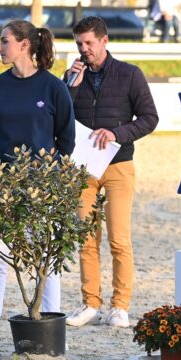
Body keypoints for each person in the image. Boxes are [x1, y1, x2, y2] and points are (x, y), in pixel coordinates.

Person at [0, 20, 75, 351]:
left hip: (41, 187)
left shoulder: (53, 88)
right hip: (0, 185)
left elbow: (66, 139)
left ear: (24, 44)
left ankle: (50, 326)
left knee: (45, 258)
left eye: (4, 41)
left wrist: (45, 177)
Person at [63, 16, 159, 328]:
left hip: (119, 164)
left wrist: (117, 133)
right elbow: (60, 117)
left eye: (89, 43)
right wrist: (70, 88)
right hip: (83, 168)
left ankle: (120, 306)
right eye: (79, 43)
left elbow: (149, 118)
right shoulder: (71, 77)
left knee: (119, 238)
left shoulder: (130, 75)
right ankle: (90, 303)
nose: (84, 49)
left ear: (104, 41)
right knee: (85, 239)